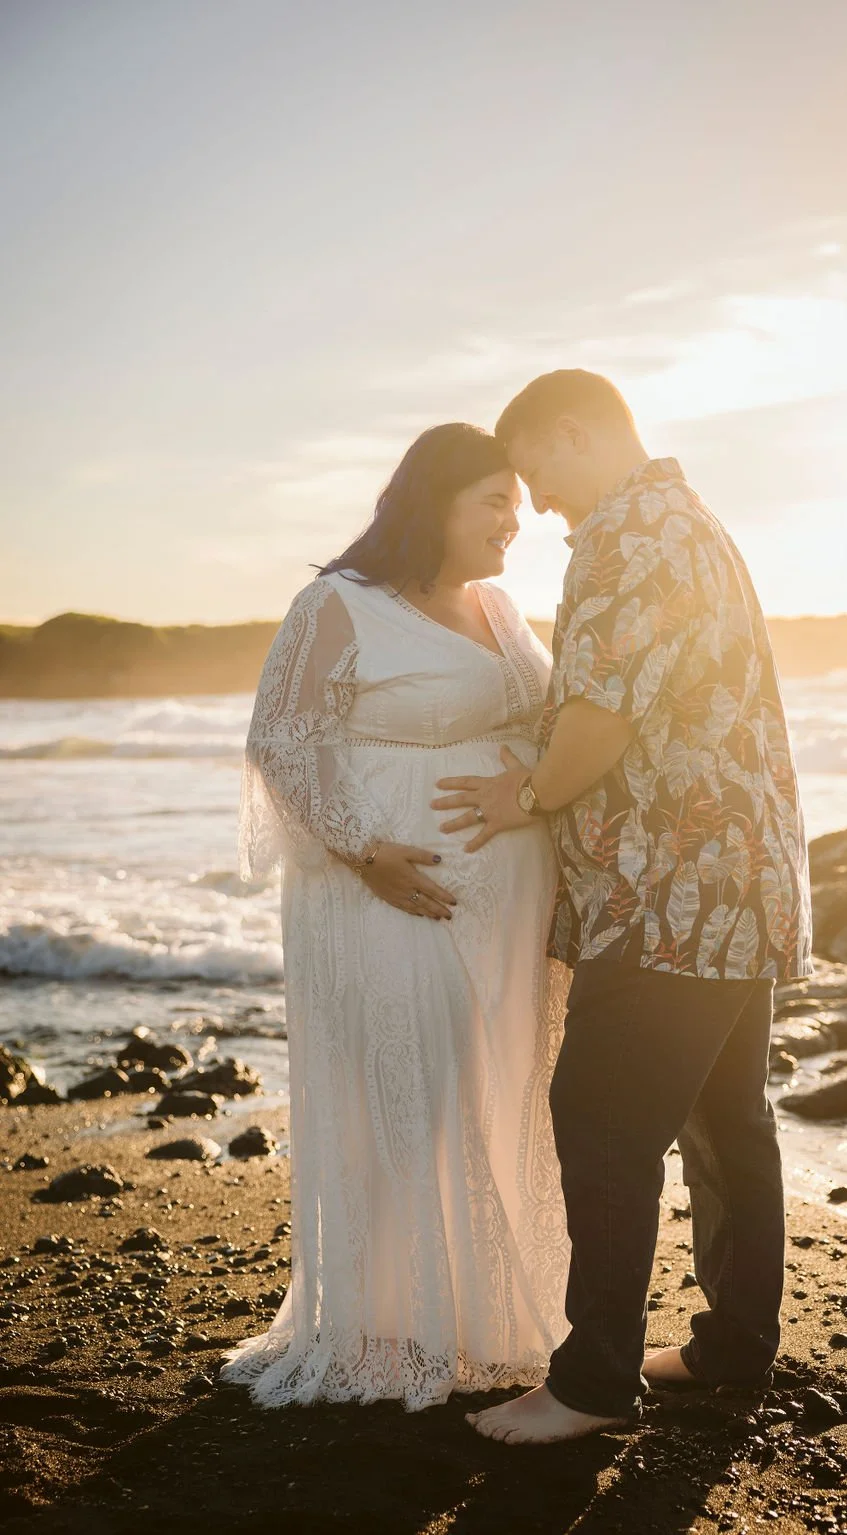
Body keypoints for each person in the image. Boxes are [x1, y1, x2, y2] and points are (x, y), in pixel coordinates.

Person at [431, 370, 813, 1444]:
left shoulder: (623, 536)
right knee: (728, 1118)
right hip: (746, 880)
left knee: (599, 1120)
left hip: (669, 888)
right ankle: (734, 1345)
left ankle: (592, 1384)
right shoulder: (691, 521)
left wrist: (526, 793)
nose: (539, 503)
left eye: (539, 471)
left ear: (576, 432)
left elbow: (598, 712)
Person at [221, 423, 571, 1411]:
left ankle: (476, 1315)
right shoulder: (340, 602)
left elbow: (543, 719)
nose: (515, 519)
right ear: (434, 504)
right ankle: (391, 1318)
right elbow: (281, 736)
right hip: (384, 893)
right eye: (492, 501)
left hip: (504, 907)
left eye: (516, 499)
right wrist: (365, 849)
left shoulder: (500, 608)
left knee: (489, 1089)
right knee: (403, 1092)